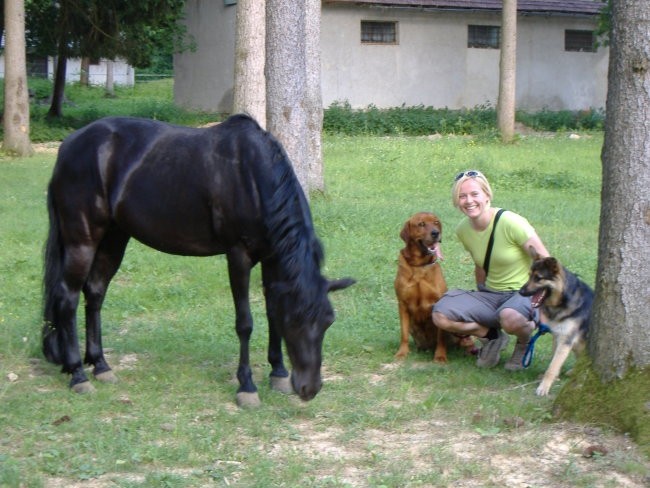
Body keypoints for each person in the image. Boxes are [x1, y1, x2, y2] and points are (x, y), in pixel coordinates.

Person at [432, 170, 550, 370]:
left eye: (475, 194)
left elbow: (546, 261)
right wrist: (480, 297)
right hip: (492, 294)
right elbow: (480, 264)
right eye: (462, 196)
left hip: (523, 293)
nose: (469, 201)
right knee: (440, 315)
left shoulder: (511, 222)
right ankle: (492, 336)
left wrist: (541, 301)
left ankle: (523, 342)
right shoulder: (463, 229)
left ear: (487, 195)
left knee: (510, 317)